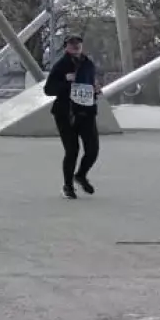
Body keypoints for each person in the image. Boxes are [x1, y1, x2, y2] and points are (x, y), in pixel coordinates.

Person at [42, 35, 100, 199]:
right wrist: (65, 82)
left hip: (86, 112)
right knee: (72, 150)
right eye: (72, 44)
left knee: (93, 150)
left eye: (78, 44)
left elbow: (89, 84)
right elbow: (48, 90)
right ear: (66, 47)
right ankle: (68, 186)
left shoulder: (88, 64)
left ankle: (80, 175)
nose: (75, 46)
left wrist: (95, 89)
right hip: (65, 113)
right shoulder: (61, 65)